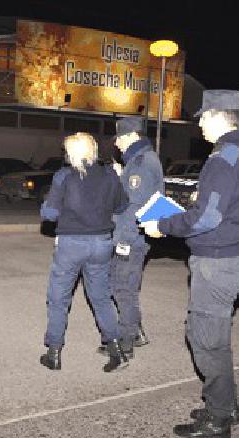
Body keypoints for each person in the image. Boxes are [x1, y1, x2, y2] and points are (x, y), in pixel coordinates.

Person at [140, 90, 239, 438]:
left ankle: (217, 420)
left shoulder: (223, 158)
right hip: (233, 255)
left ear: (219, 117)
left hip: (219, 261)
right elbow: (230, 205)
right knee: (216, 336)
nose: (199, 125)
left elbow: (208, 218)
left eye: (203, 117)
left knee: (204, 337)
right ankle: (227, 405)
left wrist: (161, 226)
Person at [38, 133, 130, 372]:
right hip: (101, 244)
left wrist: (47, 204)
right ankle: (117, 351)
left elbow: (50, 214)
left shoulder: (64, 176)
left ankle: (54, 353)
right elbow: (122, 205)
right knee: (101, 297)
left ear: (71, 153)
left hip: (71, 245)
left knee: (59, 298)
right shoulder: (110, 174)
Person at [108, 116, 163, 353]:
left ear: (131, 136)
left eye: (119, 138)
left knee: (122, 288)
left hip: (130, 236)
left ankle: (126, 342)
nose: (116, 143)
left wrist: (122, 240)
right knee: (121, 285)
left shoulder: (141, 162)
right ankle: (135, 332)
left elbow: (133, 204)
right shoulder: (140, 160)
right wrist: (122, 174)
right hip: (133, 234)